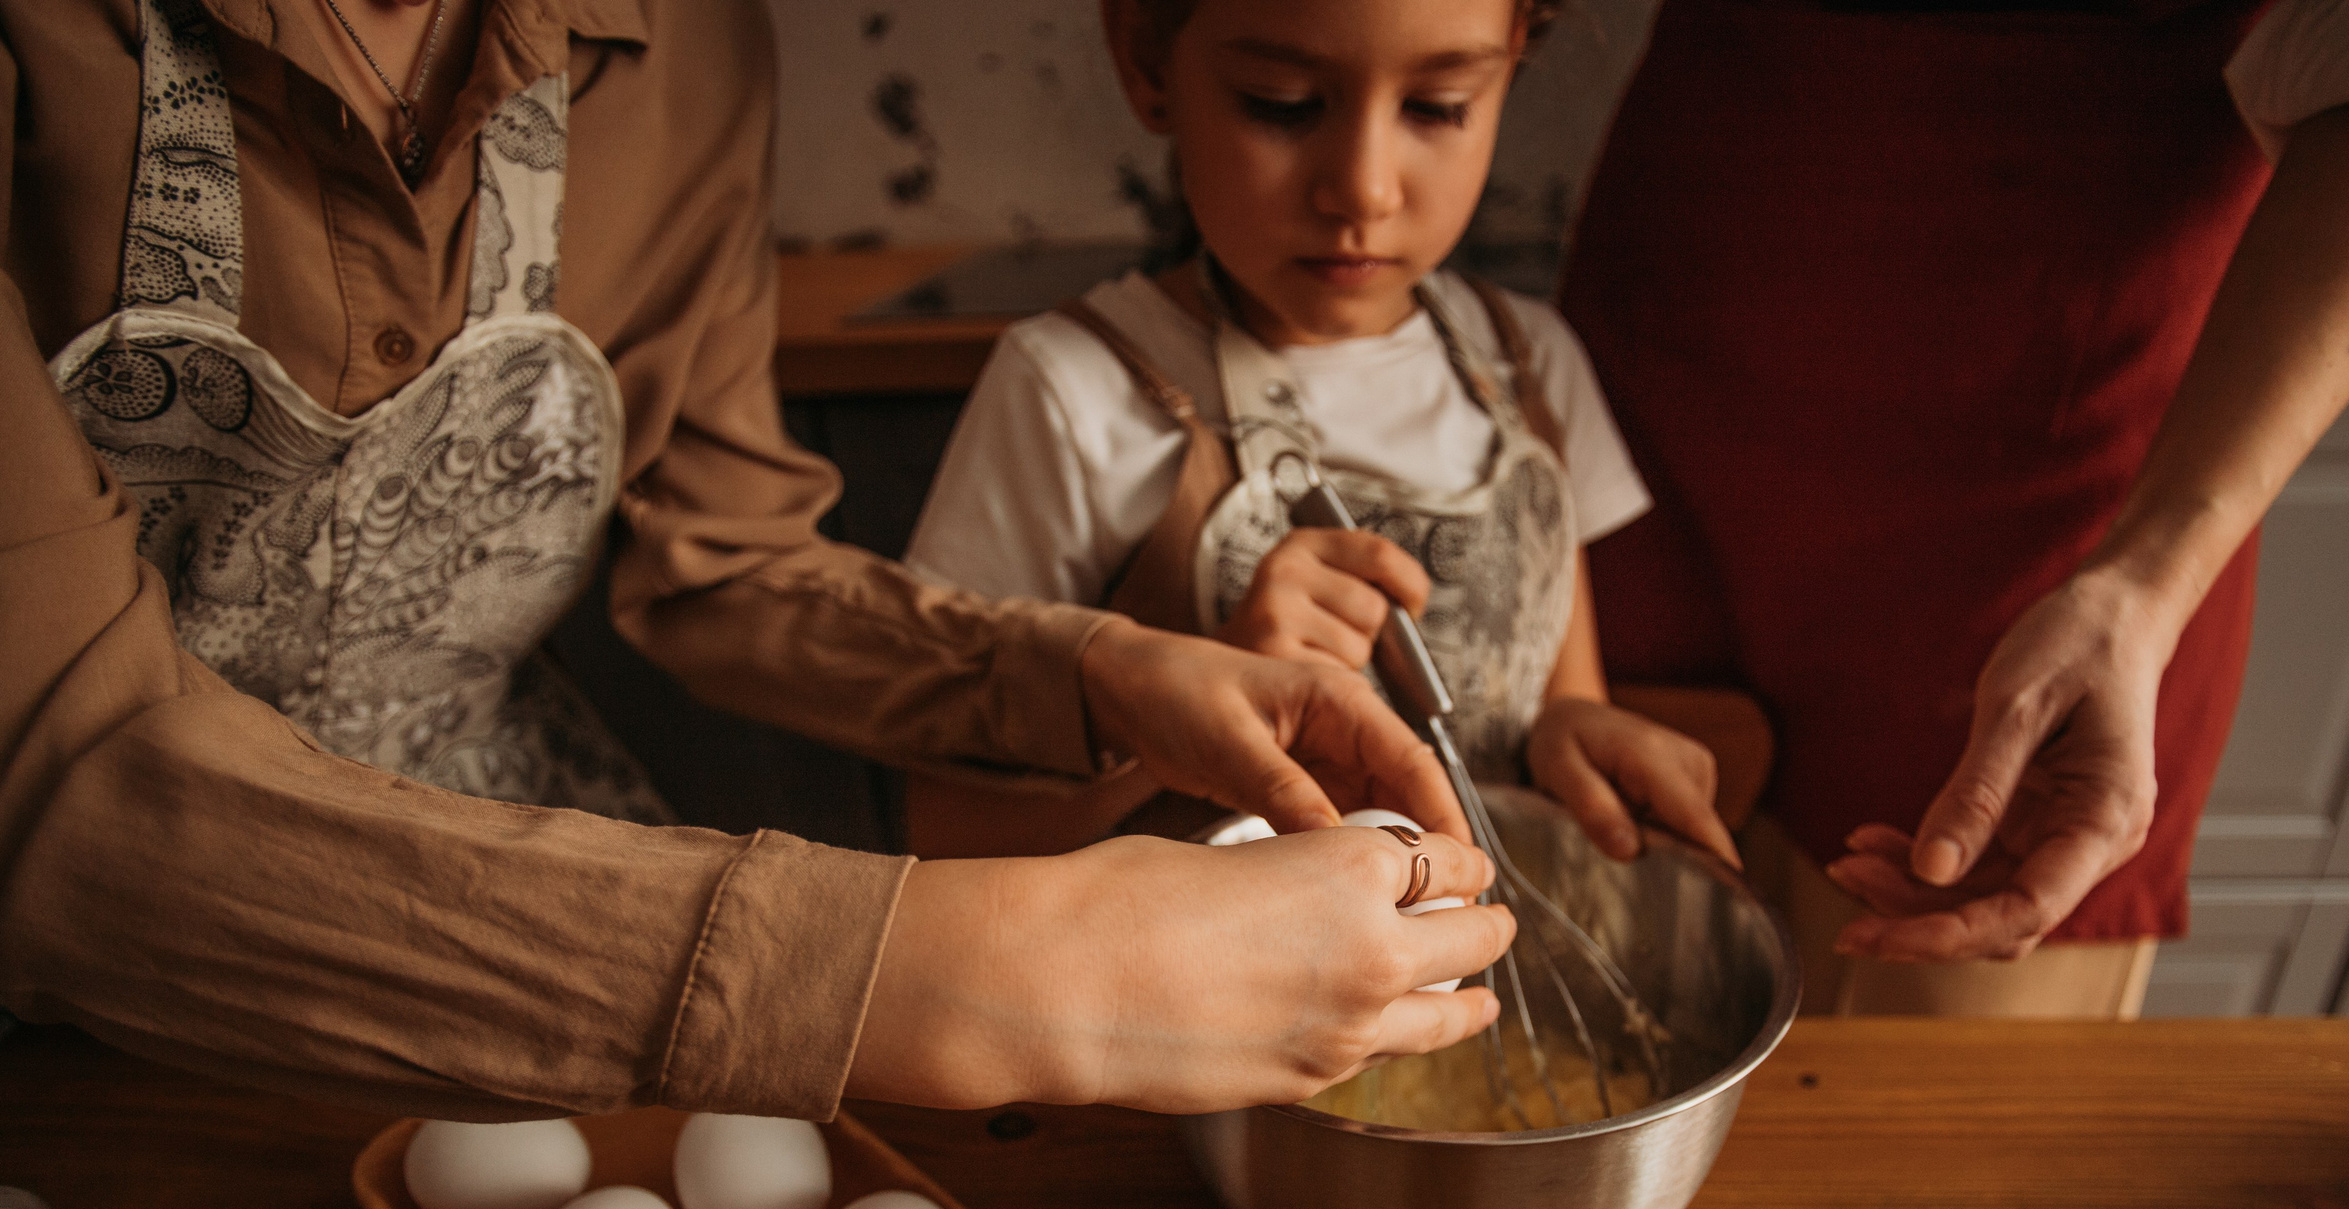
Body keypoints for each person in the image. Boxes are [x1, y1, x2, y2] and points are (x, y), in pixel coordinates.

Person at [0, 0, 1516, 1119]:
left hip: (542, 880)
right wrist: (984, 968)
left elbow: (717, 560)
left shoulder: (683, 46)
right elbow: (64, 774)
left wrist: (1100, 673)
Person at [1560, 0, 2349, 1015]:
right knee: (1606, 983)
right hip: (1642, 430)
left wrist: (2142, 583)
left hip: (2052, 496)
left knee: (1943, 1084)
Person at [893, 0, 1740, 871]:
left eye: (1439, 104)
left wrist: (1577, 730)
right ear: (1148, 60)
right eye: (1283, 102)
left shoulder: (1532, 368)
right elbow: (951, 845)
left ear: (1512, 59)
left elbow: (1560, 698)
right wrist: (1195, 701)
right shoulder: (1068, 394)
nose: (1365, 189)